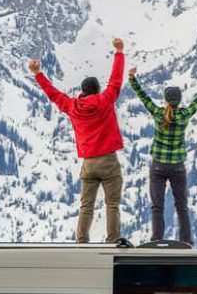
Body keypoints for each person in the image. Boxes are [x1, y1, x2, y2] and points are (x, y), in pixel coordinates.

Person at [28, 38, 125, 244]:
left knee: (86, 205)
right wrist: (118, 53)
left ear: (83, 91)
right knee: (112, 204)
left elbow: (53, 94)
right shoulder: (105, 100)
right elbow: (115, 81)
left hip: (88, 163)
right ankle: (113, 240)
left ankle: (81, 241)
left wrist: (38, 74)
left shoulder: (72, 106)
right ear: (97, 90)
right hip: (108, 160)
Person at [128, 64, 197, 245]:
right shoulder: (185, 114)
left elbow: (143, 97)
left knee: (157, 206)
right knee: (181, 206)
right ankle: (187, 241)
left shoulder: (158, 113)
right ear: (179, 100)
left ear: (165, 100)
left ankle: (156, 239)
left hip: (158, 166)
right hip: (177, 167)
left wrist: (132, 79)